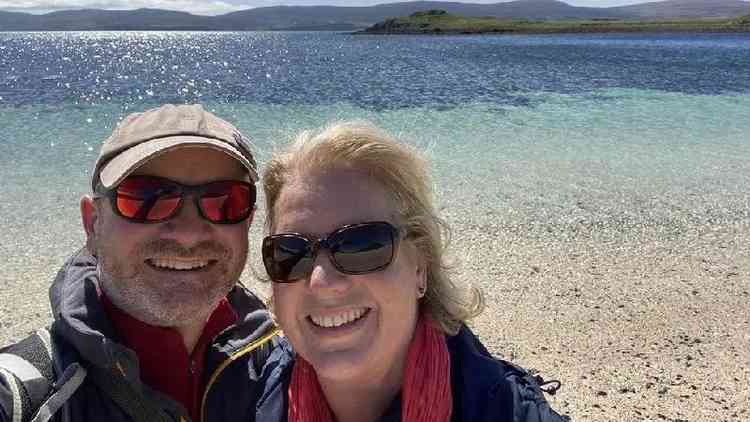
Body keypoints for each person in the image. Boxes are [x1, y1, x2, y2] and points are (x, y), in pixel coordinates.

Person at [256, 121, 568, 422]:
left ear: (420, 266)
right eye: (291, 252)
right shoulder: (248, 393)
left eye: (361, 245)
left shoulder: (505, 411)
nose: (322, 281)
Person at [0, 104, 284, 422]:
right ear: (93, 223)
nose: (189, 234)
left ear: (248, 222)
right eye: (146, 198)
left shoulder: (286, 367)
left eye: (225, 201)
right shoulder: (28, 395)